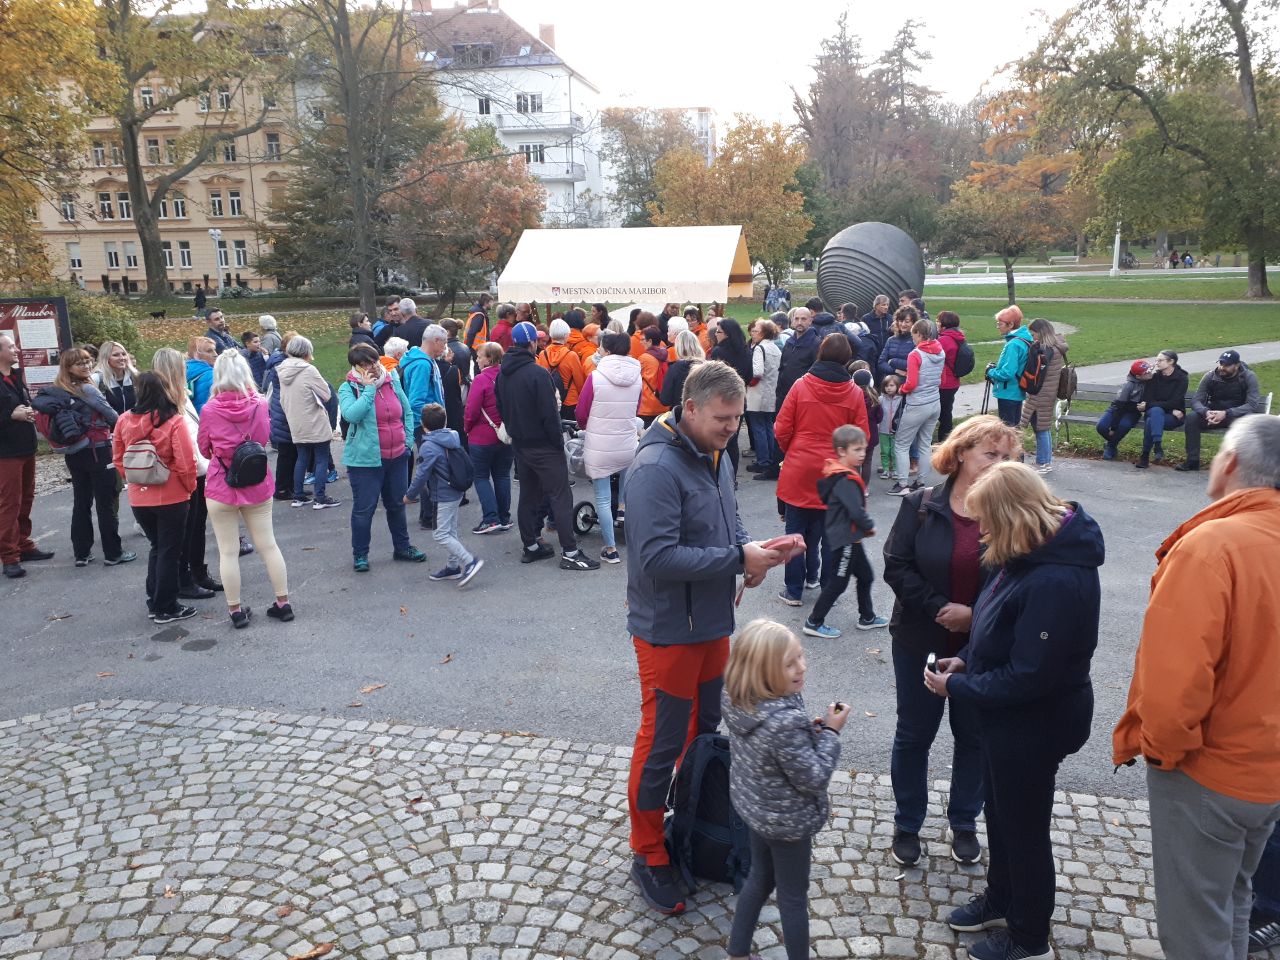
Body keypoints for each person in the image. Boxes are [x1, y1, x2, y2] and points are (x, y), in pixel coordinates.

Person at [1113, 414, 1280, 960]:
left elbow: (1175, 685)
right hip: (1266, 776)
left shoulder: (1214, 547)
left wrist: (1166, 754)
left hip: (1210, 772)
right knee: (1233, 899)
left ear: (1229, 463)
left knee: (1193, 933)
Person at [624, 361, 785, 915]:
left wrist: (751, 558)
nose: (732, 429)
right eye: (723, 418)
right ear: (690, 407)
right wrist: (737, 557)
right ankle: (648, 851)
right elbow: (655, 557)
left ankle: (691, 823)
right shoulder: (653, 468)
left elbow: (729, 517)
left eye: (738, 419)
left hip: (713, 622)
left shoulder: (712, 452)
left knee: (705, 731)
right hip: (668, 631)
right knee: (663, 742)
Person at [926, 462, 1104, 960]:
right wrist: (970, 659)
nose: (981, 531)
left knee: (1023, 830)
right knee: (1001, 816)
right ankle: (1001, 897)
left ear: (1010, 516)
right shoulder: (1027, 552)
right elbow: (1003, 630)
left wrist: (960, 686)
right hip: (1008, 716)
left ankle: (1027, 937)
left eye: (986, 522)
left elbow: (1031, 676)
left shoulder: (1056, 580)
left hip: (1035, 721)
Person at [883, 415, 1020, 869]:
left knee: (974, 736)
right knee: (913, 734)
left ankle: (964, 821)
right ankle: (908, 823)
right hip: (919, 637)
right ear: (961, 453)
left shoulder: (1012, 514)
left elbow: (1019, 582)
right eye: (990, 454)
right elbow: (896, 565)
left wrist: (974, 616)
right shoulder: (922, 505)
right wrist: (942, 607)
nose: (999, 463)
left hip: (983, 647)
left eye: (1007, 457)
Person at [722, 619, 846, 960]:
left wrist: (809, 732)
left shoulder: (740, 697)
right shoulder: (784, 721)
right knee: (793, 898)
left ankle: (737, 951)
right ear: (764, 672)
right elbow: (814, 777)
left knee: (760, 878)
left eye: (801, 657)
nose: (801, 667)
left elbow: (775, 750)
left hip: (756, 810)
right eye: (790, 663)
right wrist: (832, 733)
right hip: (787, 822)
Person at [196, 351, 292, 628]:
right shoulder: (260, 404)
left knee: (227, 551)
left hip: (221, 484)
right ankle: (282, 603)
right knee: (268, 544)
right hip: (257, 482)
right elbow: (264, 438)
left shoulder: (210, 409)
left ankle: (236, 610)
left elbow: (204, 448)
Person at [495, 321, 600, 572]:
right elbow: (549, 414)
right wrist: (556, 442)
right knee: (561, 496)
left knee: (528, 495)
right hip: (543, 444)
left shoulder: (502, 373)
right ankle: (571, 552)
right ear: (532, 343)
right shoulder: (537, 373)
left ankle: (530, 546)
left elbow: (500, 407)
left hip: (520, 444)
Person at [774, 335, 870, 606]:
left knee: (795, 530)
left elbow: (782, 428)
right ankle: (826, 585)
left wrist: (791, 451)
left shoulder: (800, 386)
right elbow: (860, 435)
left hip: (800, 466)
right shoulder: (853, 393)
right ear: (846, 358)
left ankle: (794, 589)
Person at [34, 349, 135, 568]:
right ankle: (113, 552)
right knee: (105, 502)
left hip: (75, 452)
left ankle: (82, 552)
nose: (86, 366)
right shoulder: (88, 389)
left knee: (81, 502)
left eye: (88, 361)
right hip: (98, 451)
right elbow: (112, 416)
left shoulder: (60, 390)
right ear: (68, 367)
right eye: (79, 363)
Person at [112, 372, 198, 624]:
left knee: (158, 548)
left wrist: (133, 479)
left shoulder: (123, 421)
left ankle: (155, 599)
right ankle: (166, 606)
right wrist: (189, 488)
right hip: (171, 494)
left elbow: (118, 457)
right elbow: (185, 461)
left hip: (140, 496)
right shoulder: (174, 422)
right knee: (170, 551)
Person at [338, 343, 426, 572]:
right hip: (365, 461)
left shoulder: (391, 379)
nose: (372, 367)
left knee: (397, 505)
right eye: (365, 364)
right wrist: (367, 389)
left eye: (374, 361)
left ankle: (402, 547)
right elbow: (351, 415)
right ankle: (360, 555)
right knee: (364, 509)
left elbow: (406, 412)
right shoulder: (349, 387)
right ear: (356, 367)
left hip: (397, 455)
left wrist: (407, 442)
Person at [803, 425, 885, 638]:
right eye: (856, 450)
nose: (862, 454)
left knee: (866, 576)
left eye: (864, 449)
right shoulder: (845, 480)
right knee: (838, 583)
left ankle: (867, 616)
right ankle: (814, 622)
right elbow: (855, 511)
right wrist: (869, 526)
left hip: (852, 539)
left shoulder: (843, 474)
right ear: (841, 451)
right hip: (845, 540)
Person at [152, 348, 219, 598]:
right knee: (185, 529)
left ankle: (198, 572)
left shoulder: (181, 396)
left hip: (197, 469)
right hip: (183, 473)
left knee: (197, 525)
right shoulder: (164, 402)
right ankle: (184, 580)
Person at [576, 331, 643, 564]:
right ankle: (623, 511)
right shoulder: (637, 376)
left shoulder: (595, 377)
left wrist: (587, 426)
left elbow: (581, 412)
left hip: (600, 443)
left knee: (602, 499)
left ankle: (610, 548)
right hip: (627, 441)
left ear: (607, 350)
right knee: (626, 485)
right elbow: (637, 409)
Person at [405, 403, 483, 586]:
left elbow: (421, 474)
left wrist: (409, 495)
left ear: (423, 425)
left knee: (440, 534)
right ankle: (453, 566)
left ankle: (469, 561)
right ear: (445, 421)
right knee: (451, 530)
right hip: (456, 490)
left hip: (443, 494)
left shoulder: (429, 446)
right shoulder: (452, 437)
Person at [0, 334, 51, 579]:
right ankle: (9, 556)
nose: (16, 349)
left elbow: (22, 405)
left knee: (26, 498)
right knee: (8, 503)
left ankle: (23, 544)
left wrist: (28, 411)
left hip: (25, 447)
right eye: (11, 346)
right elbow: (9, 412)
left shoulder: (15, 376)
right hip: (5, 452)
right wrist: (11, 416)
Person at [1176, 349, 1264, 472]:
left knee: (1245, 426)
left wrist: (1227, 413)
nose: (1222, 367)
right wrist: (1205, 412)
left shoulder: (1248, 377)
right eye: (1221, 363)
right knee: (1192, 418)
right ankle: (1193, 461)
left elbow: (1252, 404)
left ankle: (1238, 466)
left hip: (1236, 415)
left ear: (1237, 365)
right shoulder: (1210, 376)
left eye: (1227, 365)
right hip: (1212, 412)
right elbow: (1196, 400)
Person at [277, 336, 338, 510]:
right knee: (321, 458)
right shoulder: (308, 370)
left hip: (295, 420)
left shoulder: (282, 369)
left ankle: (298, 495)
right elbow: (326, 394)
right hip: (314, 419)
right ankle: (320, 497)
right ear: (306, 351)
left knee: (302, 457)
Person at [889, 318, 944, 497]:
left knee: (902, 444)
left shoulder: (916, 354)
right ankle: (921, 481)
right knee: (925, 443)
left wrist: (901, 389)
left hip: (917, 403)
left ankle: (902, 483)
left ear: (919, 334)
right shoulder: (940, 351)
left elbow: (911, 383)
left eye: (914, 335)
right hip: (934, 401)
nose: (912, 339)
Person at [463, 342, 514, 536]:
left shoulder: (481, 380)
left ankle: (491, 518)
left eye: (480, 356)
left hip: (482, 436)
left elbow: (472, 410)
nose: (477, 359)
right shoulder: (507, 376)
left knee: (481, 476)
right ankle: (504, 516)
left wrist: (467, 428)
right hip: (505, 434)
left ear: (490, 358)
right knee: (502, 476)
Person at [1018, 318, 1068, 473]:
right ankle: (1046, 460)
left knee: (1041, 428)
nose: (1033, 338)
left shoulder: (1046, 350)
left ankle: (1043, 463)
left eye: (1034, 334)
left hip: (1042, 393)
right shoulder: (1057, 346)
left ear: (1040, 332)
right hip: (1049, 392)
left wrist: (1033, 349)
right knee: (1043, 427)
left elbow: (1036, 371)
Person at [1136, 349, 1188, 468]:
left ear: (1171, 362)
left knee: (1151, 420)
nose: (1156, 363)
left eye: (1160, 360)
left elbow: (1175, 401)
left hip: (1173, 417)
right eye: (1156, 360)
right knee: (1155, 412)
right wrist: (1168, 408)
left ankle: (1144, 456)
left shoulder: (1181, 378)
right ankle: (1157, 445)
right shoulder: (1154, 377)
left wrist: (1152, 406)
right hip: (1166, 412)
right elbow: (1147, 398)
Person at [262, 331, 297, 502]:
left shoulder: (280, 362)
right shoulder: (283, 366)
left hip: (281, 411)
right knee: (287, 453)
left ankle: (289, 486)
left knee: (290, 453)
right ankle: (283, 488)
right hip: (283, 413)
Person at [745, 318, 782, 479]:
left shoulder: (760, 348)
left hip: (758, 391)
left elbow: (757, 371)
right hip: (771, 391)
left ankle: (762, 460)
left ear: (764, 333)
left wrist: (749, 383)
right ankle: (769, 458)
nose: (753, 334)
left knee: (758, 426)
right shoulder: (775, 347)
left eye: (756, 331)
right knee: (767, 426)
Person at [1096, 360, 1154, 460]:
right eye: (1147, 372)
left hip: (1133, 412)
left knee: (1124, 425)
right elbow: (1119, 406)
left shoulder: (1151, 380)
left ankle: (1110, 446)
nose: (1150, 373)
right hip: (1118, 408)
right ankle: (1112, 443)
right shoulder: (1129, 386)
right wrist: (1113, 428)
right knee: (1101, 426)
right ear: (1138, 377)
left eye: (1150, 370)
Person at [987, 305, 1034, 427]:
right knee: (1014, 428)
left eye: (1000, 324)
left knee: (1007, 430)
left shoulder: (1013, 344)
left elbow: (1007, 373)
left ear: (1011, 325)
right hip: (1017, 391)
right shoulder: (1025, 340)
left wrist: (990, 372)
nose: (998, 327)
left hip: (1008, 392)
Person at [538, 318, 586, 421]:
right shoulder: (571, 355)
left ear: (550, 335)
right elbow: (579, 382)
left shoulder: (543, 354)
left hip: (551, 399)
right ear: (566, 335)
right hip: (570, 401)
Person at [775, 306, 818, 407]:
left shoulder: (816, 344)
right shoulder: (789, 342)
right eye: (797, 318)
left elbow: (815, 373)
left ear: (810, 321)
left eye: (803, 319)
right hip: (783, 395)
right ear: (792, 320)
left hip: (803, 397)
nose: (799, 322)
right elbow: (782, 368)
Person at [935, 311, 967, 442]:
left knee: (942, 415)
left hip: (944, 382)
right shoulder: (958, 337)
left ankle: (944, 441)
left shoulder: (943, 340)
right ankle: (947, 439)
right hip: (953, 381)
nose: (936, 323)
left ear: (943, 324)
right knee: (947, 412)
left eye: (938, 321)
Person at [658, 330, 703, 410]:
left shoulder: (675, 368)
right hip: (702, 413)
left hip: (681, 415)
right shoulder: (706, 367)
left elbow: (665, 400)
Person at [92, 341, 137, 416]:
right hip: (109, 426)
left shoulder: (135, 377)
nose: (122, 358)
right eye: (116, 355)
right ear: (106, 358)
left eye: (124, 354)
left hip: (132, 426)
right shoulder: (97, 379)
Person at [636, 325, 669, 426]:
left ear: (649, 341)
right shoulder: (666, 353)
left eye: (642, 339)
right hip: (663, 404)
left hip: (647, 407)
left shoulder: (644, 358)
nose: (640, 342)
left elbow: (634, 378)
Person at [876, 306, 917, 385]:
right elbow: (881, 363)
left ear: (914, 323)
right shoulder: (891, 340)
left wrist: (893, 361)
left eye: (907, 321)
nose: (903, 324)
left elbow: (915, 364)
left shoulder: (916, 341)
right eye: (901, 321)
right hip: (890, 384)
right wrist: (896, 370)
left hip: (907, 384)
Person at [879, 375, 903, 479]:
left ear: (897, 386)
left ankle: (895, 470)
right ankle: (885, 469)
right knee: (885, 451)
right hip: (883, 430)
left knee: (894, 451)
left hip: (896, 431)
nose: (888, 388)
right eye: (886, 386)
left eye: (891, 385)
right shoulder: (881, 399)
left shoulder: (901, 399)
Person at [185, 336, 216, 414]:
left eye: (214, 350)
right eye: (209, 351)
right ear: (197, 355)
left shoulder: (181, 371)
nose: (215, 354)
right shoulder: (212, 375)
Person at [462, 292, 494, 358]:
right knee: (479, 366)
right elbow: (472, 332)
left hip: (477, 346)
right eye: (491, 302)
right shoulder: (479, 315)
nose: (492, 304)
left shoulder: (479, 312)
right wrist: (468, 347)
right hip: (477, 347)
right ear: (486, 303)